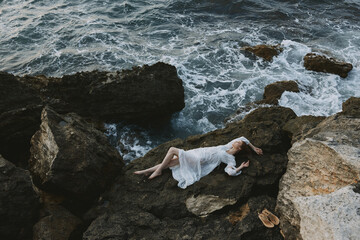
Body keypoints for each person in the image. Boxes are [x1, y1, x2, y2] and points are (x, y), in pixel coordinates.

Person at [134, 136, 263, 189]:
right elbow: (243, 137)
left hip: (199, 159)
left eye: (237, 143)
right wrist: (253, 147)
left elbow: (230, 172)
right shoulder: (227, 146)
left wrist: (240, 167)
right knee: (171, 162)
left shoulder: (230, 158)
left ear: (238, 148)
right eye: (236, 141)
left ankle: (158, 171)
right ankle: (147, 171)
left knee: (172, 150)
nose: (235, 140)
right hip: (197, 152)